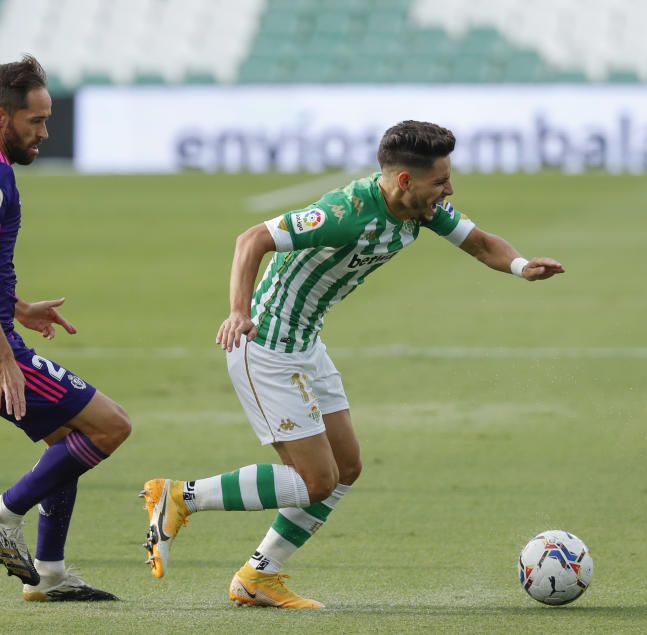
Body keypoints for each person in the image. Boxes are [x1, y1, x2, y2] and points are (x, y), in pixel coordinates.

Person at [141, 120, 564, 608]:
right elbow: (250, 240)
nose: (448, 189)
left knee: (346, 468)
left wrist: (520, 266)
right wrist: (239, 311)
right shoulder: (343, 214)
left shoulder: (422, 209)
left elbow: (482, 243)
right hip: (267, 348)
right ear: (404, 180)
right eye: (440, 181)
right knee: (315, 480)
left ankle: (259, 577)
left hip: (306, 345)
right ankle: (178, 497)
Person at [0, 55, 130, 602]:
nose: (44, 133)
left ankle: (51, 575)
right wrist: (3, 357)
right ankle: (3, 514)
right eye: (35, 122)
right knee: (110, 428)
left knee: (68, 439)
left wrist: (17, 306)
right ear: (0, 116)